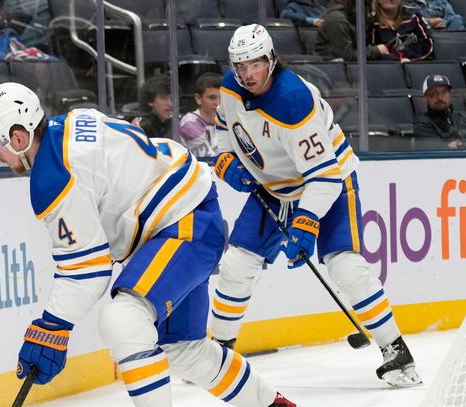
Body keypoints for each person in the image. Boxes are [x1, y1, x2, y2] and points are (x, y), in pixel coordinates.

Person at [0, 82, 324, 407]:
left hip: (183, 226)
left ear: (18, 137)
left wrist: (52, 326)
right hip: (189, 213)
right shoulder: (70, 124)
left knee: (122, 317)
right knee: (183, 349)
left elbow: (86, 269)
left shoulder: (52, 175)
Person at [209, 24, 421, 387]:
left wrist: (305, 223)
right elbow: (225, 128)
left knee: (345, 266)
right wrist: (226, 158)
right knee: (235, 264)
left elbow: (323, 176)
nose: (247, 74)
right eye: (240, 66)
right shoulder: (230, 87)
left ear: (271, 59)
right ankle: (218, 353)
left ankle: (396, 351)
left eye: (255, 64)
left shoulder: (294, 100)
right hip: (274, 187)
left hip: (329, 180)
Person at [314, 0, 385, 61]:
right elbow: (347, 57)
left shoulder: (355, 15)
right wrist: (377, 51)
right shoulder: (337, 20)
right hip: (332, 70)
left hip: (348, 69)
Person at [368, 0, 434, 63]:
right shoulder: (371, 24)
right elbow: (370, 53)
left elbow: (428, 45)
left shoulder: (414, 17)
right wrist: (396, 59)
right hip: (385, 68)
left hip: (415, 65)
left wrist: (409, 59)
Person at [413, 74, 466, 149]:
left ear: (450, 95)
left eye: (444, 92)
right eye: (433, 93)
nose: (440, 97)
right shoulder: (422, 124)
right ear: (425, 98)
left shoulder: (462, 117)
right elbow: (436, 151)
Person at [179, 72, 222, 158]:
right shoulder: (189, 124)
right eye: (212, 98)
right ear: (198, 98)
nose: (218, 103)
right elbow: (210, 160)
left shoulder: (225, 120)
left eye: (221, 97)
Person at [131, 73, 173, 139]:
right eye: (163, 98)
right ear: (150, 101)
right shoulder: (141, 127)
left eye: (172, 98)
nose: (170, 104)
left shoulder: (171, 123)